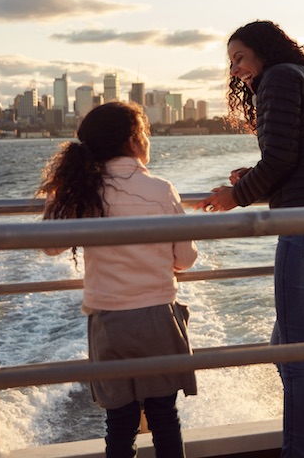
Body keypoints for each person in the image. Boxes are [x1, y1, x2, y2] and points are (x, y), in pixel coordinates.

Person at [196, 20, 304, 458]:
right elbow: (299, 163)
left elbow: (283, 158)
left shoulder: (279, 79)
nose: (236, 70)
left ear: (263, 51)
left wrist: (236, 195)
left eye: (239, 58)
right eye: (231, 63)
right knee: (284, 348)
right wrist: (253, 180)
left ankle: (300, 453)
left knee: (294, 358)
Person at [39, 101, 198, 458]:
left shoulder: (85, 192)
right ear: (132, 141)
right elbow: (184, 259)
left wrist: (61, 193)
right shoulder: (161, 189)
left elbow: (49, 244)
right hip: (157, 317)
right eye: (145, 133)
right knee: (164, 415)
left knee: (120, 421)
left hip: (109, 321)